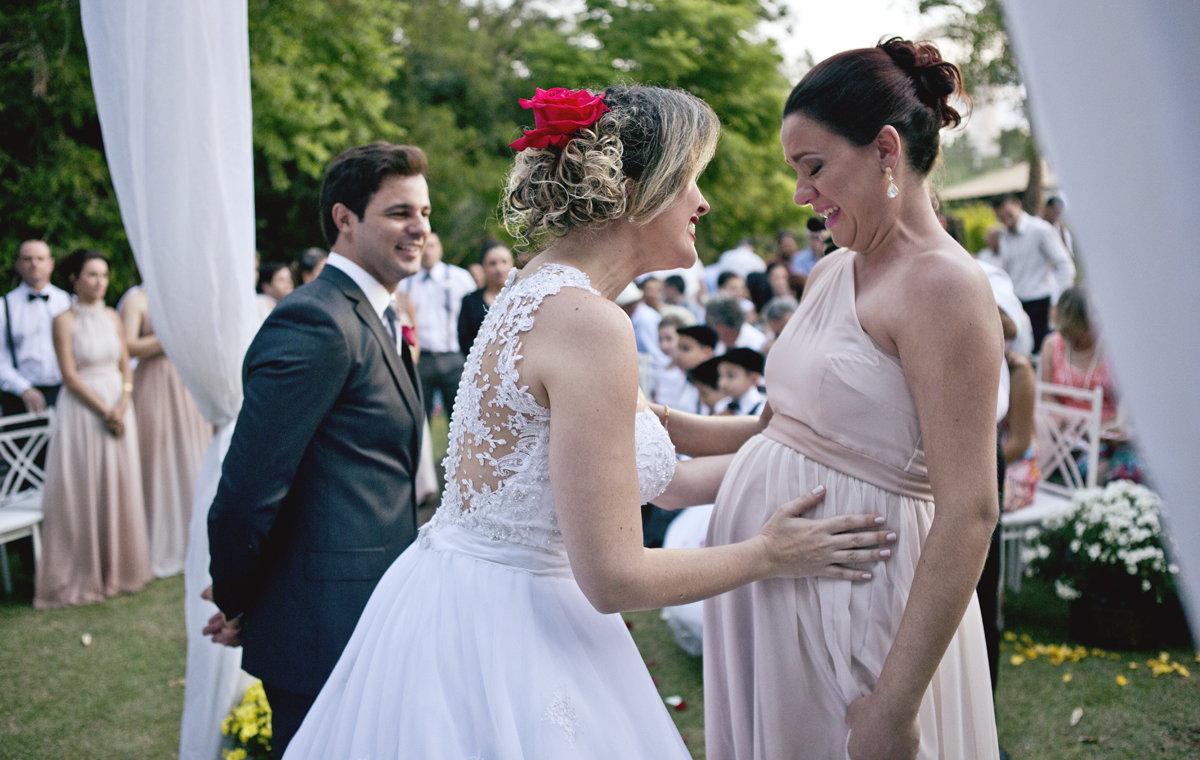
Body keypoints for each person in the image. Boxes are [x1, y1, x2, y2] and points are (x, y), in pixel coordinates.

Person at [283, 84, 895, 760]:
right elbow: (614, 579)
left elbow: (656, 446)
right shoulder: (587, 323)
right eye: (689, 180)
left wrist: (785, 433)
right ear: (633, 191)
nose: (702, 202)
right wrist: (771, 555)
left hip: (453, 596)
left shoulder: (541, 287)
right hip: (512, 631)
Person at [705, 38, 1002, 760]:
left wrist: (894, 706)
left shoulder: (946, 287)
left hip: (861, 608)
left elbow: (970, 509)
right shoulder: (831, 272)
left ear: (885, 150)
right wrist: (652, 425)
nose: (801, 194)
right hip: (774, 593)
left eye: (813, 167)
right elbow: (779, 430)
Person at [206, 142, 429, 758]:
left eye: (424, 213)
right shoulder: (316, 321)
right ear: (344, 218)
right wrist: (239, 599)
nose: (419, 228)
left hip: (372, 613)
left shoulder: (378, 316)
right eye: (400, 212)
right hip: (320, 628)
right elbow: (248, 491)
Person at [34, 249, 151, 609]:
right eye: (92, 274)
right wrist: (105, 410)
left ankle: (120, 568)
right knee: (84, 486)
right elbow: (69, 376)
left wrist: (123, 402)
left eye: (104, 274)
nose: (100, 282)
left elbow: (126, 365)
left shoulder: (114, 316)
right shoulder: (63, 320)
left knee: (120, 483)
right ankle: (85, 570)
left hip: (119, 404)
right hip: (84, 411)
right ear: (74, 278)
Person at [119, 288, 213, 578]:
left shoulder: (182, 292)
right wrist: (169, 340)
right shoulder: (137, 299)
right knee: (158, 458)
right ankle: (161, 539)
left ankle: (200, 537)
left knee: (192, 456)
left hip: (187, 381)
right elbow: (127, 346)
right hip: (154, 383)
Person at [1040, 285, 1144, 484]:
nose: (1099, 318)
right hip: (1071, 437)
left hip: (1111, 433)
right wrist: (1076, 424)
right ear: (1075, 320)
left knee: (1131, 472)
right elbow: (1047, 397)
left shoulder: (1114, 346)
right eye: (1093, 314)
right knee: (1095, 472)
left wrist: (1119, 424)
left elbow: (1127, 397)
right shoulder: (1052, 345)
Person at [396, 231, 477, 421]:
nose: (427, 251)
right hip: (421, 360)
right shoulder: (405, 281)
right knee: (419, 418)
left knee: (462, 419)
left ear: (440, 249)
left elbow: (473, 315)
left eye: (431, 245)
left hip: (454, 358)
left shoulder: (460, 277)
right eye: (423, 246)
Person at [990, 192, 1076, 352]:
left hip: (1042, 303)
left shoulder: (1040, 230)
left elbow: (1065, 264)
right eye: (1001, 218)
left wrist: (1058, 301)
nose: (1007, 222)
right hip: (1018, 304)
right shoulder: (1003, 237)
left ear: (1018, 205)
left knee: (1045, 353)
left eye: (1009, 215)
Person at [0, 240, 72, 416]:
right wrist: (23, 388)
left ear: (51, 264)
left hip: (66, 392)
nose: (34, 264)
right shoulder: (4, 306)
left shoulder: (68, 302)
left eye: (40, 258)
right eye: (28, 259)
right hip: (19, 397)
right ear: (17, 264)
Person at [457, 238, 515, 355]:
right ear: (483, 266)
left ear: (512, 264)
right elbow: (464, 340)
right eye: (492, 263)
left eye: (504, 262)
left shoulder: (521, 297)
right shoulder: (470, 301)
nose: (499, 268)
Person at [672, 324, 718, 415]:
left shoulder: (716, 387)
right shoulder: (683, 378)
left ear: (707, 353)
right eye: (679, 348)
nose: (679, 354)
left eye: (686, 349)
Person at [717, 348, 766, 416]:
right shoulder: (722, 405)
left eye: (731, 376)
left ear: (753, 379)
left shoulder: (762, 411)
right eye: (720, 375)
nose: (722, 383)